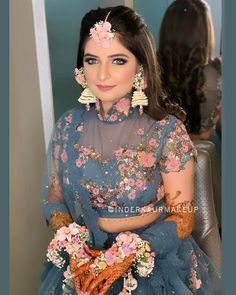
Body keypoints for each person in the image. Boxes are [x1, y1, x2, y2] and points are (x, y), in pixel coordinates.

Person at [38, 5, 221, 295]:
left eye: (118, 60)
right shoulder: (67, 126)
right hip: (83, 269)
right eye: (92, 60)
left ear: (140, 67)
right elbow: (55, 199)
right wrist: (73, 246)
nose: (103, 73)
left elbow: (183, 216)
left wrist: (127, 254)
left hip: (153, 269)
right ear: (81, 68)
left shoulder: (166, 131)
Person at [158, 0, 222, 168]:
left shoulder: (149, 71)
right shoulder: (216, 73)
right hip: (207, 155)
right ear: (205, 32)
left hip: (161, 154)